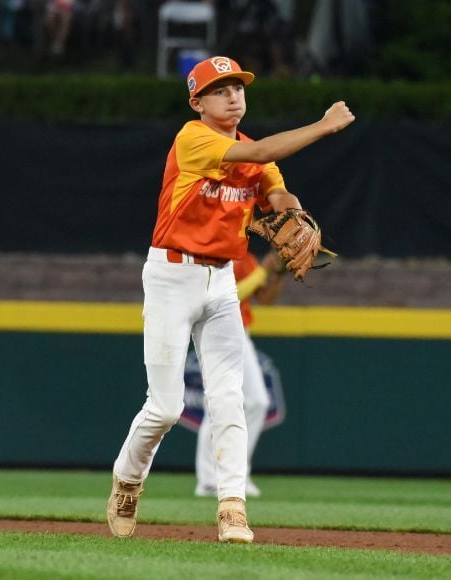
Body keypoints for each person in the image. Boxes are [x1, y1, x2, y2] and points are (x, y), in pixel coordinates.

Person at [107, 55, 354, 544]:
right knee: (166, 408)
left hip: (221, 282)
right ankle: (127, 481)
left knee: (230, 400)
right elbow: (260, 155)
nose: (234, 95)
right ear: (197, 101)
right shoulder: (193, 139)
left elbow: (275, 193)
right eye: (220, 90)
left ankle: (232, 508)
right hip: (172, 277)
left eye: (238, 87)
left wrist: (293, 212)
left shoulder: (253, 151)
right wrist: (324, 127)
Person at [195, 250, 285, 498]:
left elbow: (265, 300)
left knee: (257, 402)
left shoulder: (245, 258)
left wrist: (279, 273)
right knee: (217, 402)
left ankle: (234, 474)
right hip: (215, 331)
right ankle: (210, 479)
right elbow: (228, 296)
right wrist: (263, 272)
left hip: (239, 333)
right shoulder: (209, 252)